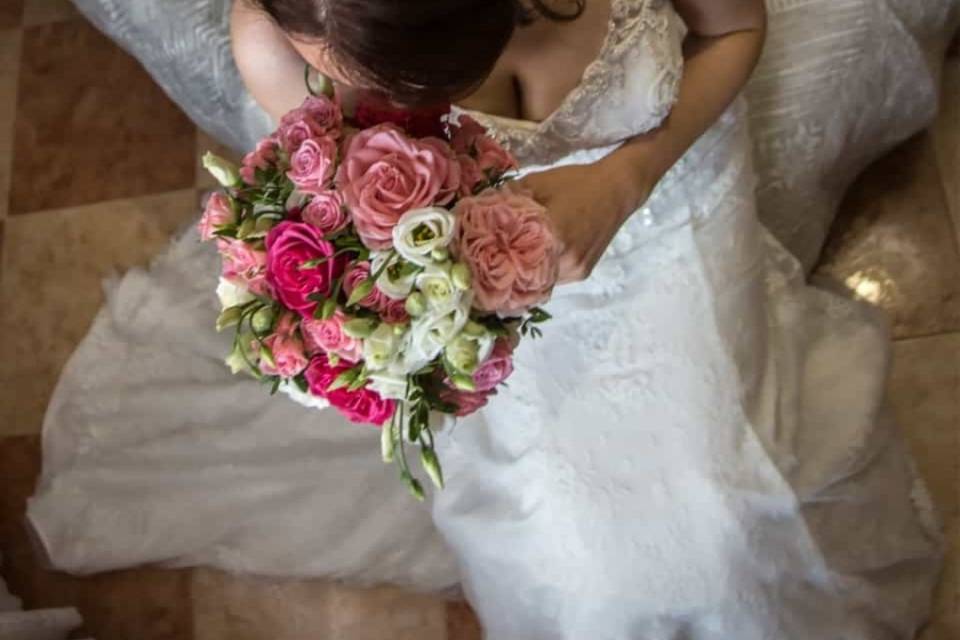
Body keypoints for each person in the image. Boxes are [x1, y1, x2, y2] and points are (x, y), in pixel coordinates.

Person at [27, 0, 959, 637]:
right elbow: (350, 198)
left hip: (675, 213)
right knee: (561, 534)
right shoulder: (287, 29)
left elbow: (734, 25)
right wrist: (397, 293)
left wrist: (627, 177)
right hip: (496, 310)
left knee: (719, 485)